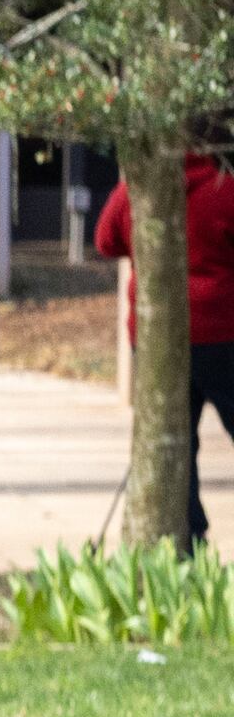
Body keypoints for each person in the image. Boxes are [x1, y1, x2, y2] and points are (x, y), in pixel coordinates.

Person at [93, 136, 234, 543]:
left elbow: (105, 240)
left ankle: (187, 539)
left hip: (155, 340)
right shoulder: (224, 186)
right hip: (220, 334)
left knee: (175, 443)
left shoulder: (140, 189)